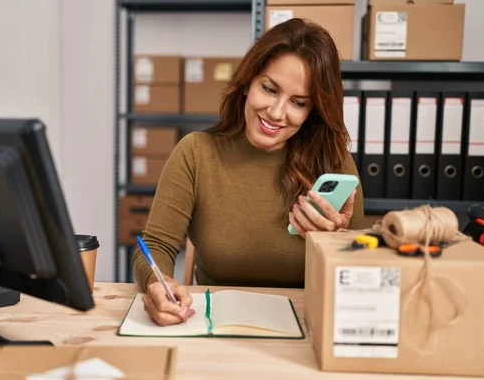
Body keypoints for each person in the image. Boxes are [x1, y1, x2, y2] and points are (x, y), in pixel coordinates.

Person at [133, 18, 365, 326]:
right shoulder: (196, 153)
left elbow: (366, 270)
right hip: (214, 327)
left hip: (306, 331)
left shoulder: (335, 164)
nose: (276, 112)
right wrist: (157, 284)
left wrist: (335, 242)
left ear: (313, 112)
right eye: (269, 89)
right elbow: (155, 247)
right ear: (247, 83)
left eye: (298, 102)